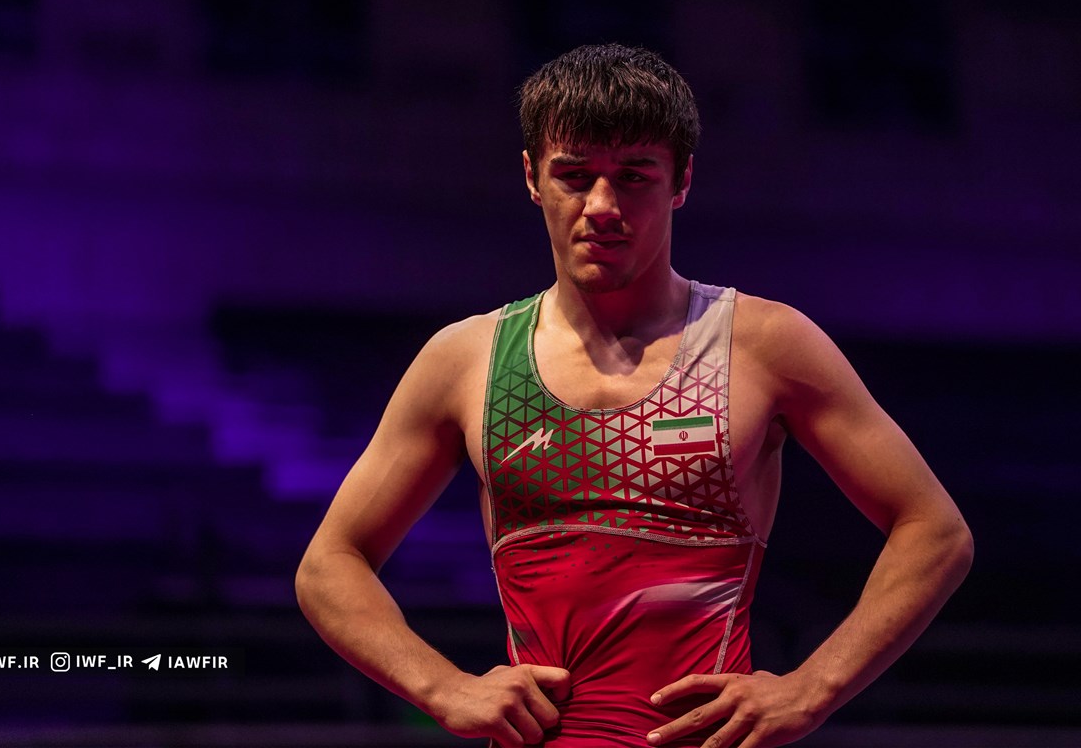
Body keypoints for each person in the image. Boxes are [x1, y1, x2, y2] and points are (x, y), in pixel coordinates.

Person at [296, 43, 973, 748]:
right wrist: (443, 688)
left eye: (633, 176)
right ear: (531, 177)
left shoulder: (763, 345)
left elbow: (934, 530)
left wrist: (813, 688)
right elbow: (328, 566)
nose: (601, 206)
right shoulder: (466, 361)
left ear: (681, 180)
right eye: (573, 175)